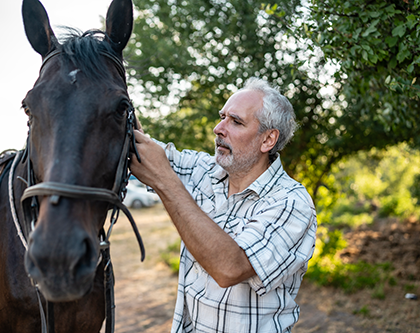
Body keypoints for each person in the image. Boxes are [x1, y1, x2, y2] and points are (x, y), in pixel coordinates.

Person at [130, 77, 317, 333]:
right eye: (222, 117)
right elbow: (141, 147)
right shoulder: (204, 170)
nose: (219, 128)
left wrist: (166, 182)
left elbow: (230, 268)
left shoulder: (291, 202)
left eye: (236, 121)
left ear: (268, 140)